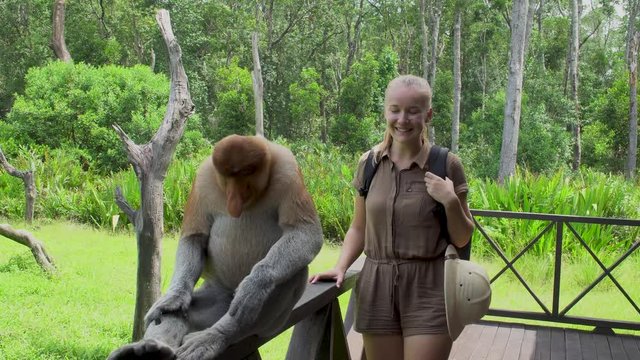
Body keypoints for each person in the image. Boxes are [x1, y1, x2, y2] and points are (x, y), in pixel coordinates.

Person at [310, 74, 474, 360]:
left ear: (428, 114)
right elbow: (358, 228)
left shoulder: (446, 164)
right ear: (386, 111)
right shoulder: (369, 164)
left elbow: (462, 236)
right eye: (395, 110)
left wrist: (449, 199)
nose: (403, 119)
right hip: (376, 284)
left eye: (413, 111)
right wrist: (340, 266)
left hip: (430, 287)